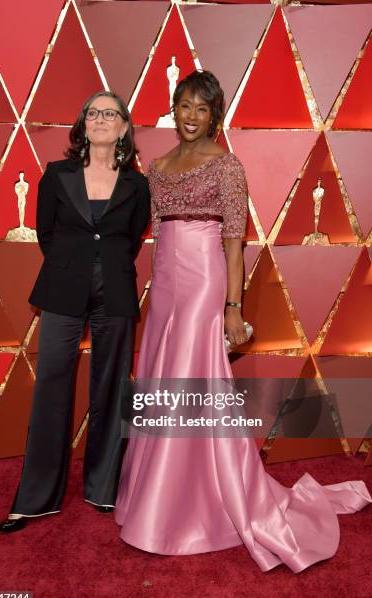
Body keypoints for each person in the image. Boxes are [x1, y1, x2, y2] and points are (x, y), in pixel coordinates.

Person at [114, 71, 371, 572]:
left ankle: (191, 504)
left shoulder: (227, 166)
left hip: (204, 278)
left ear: (215, 114)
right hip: (165, 279)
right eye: (183, 106)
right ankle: (157, 495)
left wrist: (233, 307)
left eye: (201, 109)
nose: (190, 116)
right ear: (175, 108)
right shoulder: (158, 165)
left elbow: (235, 246)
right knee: (163, 378)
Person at [0, 91, 150, 533]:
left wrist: (105, 266)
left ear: (123, 128)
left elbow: (133, 236)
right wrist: (76, 265)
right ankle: (35, 498)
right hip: (62, 290)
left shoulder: (137, 185)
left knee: (111, 389)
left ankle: (103, 488)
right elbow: (47, 233)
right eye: (93, 112)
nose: (101, 119)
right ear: (83, 125)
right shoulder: (56, 175)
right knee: (51, 389)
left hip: (117, 293)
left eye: (111, 113)